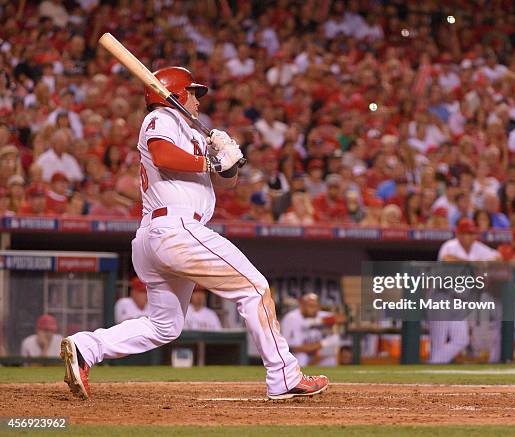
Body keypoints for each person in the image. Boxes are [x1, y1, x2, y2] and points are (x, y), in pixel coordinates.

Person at [60, 66, 327, 401]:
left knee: (164, 326)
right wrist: (211, 163)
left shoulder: (193, 133)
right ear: (175, 94)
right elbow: (162, 153)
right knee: (254, 288)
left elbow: (223, 181)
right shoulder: (162, 117)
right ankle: (284, 376)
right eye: (193, 92)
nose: (198, 100)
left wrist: (229, 163)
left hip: (162, 235)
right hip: (176, 228)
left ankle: (86, 347)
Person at [429, 218, 500, 364]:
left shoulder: (478, 248)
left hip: (459, 302)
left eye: (471, 233)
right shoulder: (450, 245)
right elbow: (447, 259)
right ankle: (431, 374)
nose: (469, 237)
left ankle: (432, 366)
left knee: (461, 339)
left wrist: (483, 264)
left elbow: (498, 258)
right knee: (438, 343)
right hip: (441, 297)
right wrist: (473, 264)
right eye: (465, 233)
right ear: (459, 234)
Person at [281, 293, 342, 367]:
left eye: (316, 306)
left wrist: (318, 321)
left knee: (330, 358)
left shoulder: (319, 315)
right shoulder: (291, 318)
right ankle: (300, 377)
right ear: (302, 305)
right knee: (301, 357)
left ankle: (328, 378)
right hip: (298, 353)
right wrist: (324, 343)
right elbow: (293, 348)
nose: (314, 309)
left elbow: (341, 318)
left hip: (316, 351)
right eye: (311, 306)